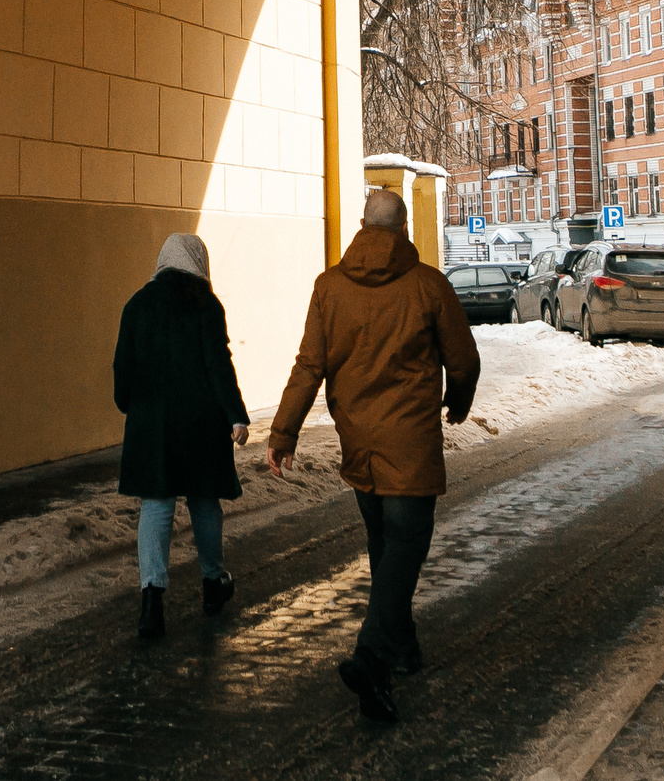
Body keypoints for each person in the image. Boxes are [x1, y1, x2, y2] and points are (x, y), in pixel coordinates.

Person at [268, 188, 480, 724]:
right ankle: (372, 657)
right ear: (404, 229)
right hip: (410, 446)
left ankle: (402, 648)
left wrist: (284, 432)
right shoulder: (428, 285)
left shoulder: (329, 287)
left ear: (362, 226)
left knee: (386, 548)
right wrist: (458, 401)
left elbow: (309, 364)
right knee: (405, 547)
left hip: (358, 445)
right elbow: (463, 359)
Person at [114, 231, 252, 641]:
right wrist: (235, 416)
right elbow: (218, 364)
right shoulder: (206, 305)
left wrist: (129, 403)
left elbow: (123, 366)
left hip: (152, 424)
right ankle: (213, 582)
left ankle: (151, 602)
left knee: (156, 506)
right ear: (199, 264)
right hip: (200, 423)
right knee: (204, 501)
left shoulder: (137, 305)